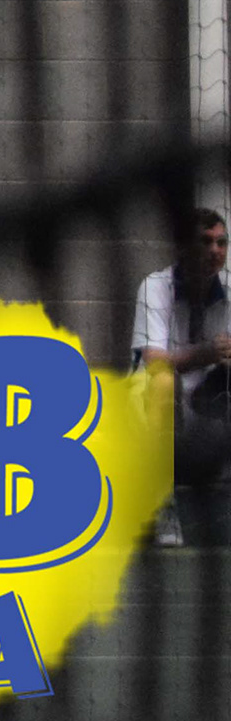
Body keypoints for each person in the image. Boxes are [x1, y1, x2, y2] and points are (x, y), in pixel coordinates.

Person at [133, 206, 231, 546]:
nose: (215, 250)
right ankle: (163, 505)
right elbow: (154, 360)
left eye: (221, 242)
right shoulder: (155, 287)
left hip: (207, 405)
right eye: (205, 242)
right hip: (153, 404)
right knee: (163, 379)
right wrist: (207, 352)